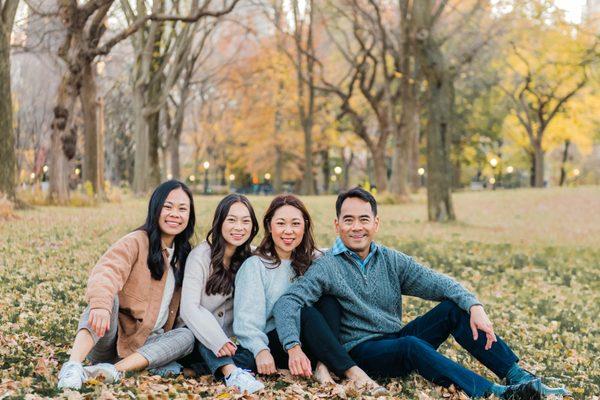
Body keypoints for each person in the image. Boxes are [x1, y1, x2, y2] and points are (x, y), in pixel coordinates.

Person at [274, 187, 569, 400]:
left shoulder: (392, 260)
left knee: (453, 309)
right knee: (411, 345)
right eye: (348, 220)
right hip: (362, 350)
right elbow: (290, 302)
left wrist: (475, 305)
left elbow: (440, 283)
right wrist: (292, 345)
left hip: (396, 338)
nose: (356, 227)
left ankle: (517, 375)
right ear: (337, 225)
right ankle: (492, 393)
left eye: (364, 219)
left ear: (376, 223)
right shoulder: (327, 266)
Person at [233, 194, 383, 393]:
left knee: (329, 300)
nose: (288, 231)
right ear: (269, 226)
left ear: (304, 227)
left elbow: (340, 253)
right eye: (281, 223)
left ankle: (323, 365)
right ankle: (353, 372)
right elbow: (245, 323)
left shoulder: (313, 260)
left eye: (296, 223)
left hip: (309, 343)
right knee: (303, 312)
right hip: (271, 345)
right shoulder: (255, 266)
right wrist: (260, 351)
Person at [57, 180, 197, 390]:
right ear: (155, 208)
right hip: (111, 337)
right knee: (106, 299)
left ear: (189, 216)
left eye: (182, 209)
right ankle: (73, 366)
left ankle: (114, 370)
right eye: (168, 207)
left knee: (187, 336)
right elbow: (107, 271)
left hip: (147, 344)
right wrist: (101, 306)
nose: (174, 214)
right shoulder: (136, 241)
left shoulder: (184, 256)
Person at [180, 194, 264, 394]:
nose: (239, 227)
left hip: (229, 344)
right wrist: (217, 340)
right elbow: (189, 309)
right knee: (203, 337)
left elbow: (285, 254)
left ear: (252, 227)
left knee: (253, 356)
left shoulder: (250, 257)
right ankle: (231, 373)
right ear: (219, 223)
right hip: (195, 336)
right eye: (232, 220)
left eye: (245, 221)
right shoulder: (200, 256)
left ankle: (194, 370)